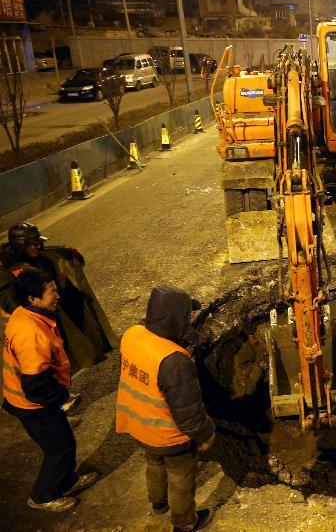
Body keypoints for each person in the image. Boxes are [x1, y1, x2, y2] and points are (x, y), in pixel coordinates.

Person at [115, 286, 215, 531]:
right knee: (181, 477)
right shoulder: (174, 362)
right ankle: (184, 523)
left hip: (137, 423)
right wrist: (206, 434)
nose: (188, 321)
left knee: (154, 463)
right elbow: (189, 415)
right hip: (168, 435)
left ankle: (158, 504)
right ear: (175, 318)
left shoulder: (132, 334)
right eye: (185, 317)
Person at [2, 268, 98, 511]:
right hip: (34, 405)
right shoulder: (32, 334)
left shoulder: (25, 314)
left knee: (64, 443)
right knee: (59, 449)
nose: (57, 295)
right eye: (52, 291)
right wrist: (60, 397)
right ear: (33, 299)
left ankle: (67, 480)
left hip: (31, 401)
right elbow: (35, 385)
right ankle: (43, 495)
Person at [0, 223, 116, 374]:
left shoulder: (32, 257)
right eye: (33, 245)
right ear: (22, 246)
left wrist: (66, 254)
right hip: (28, 324)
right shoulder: (8, 275)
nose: (38, 247)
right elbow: (14, 307)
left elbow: (48, 254)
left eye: (38, 243)